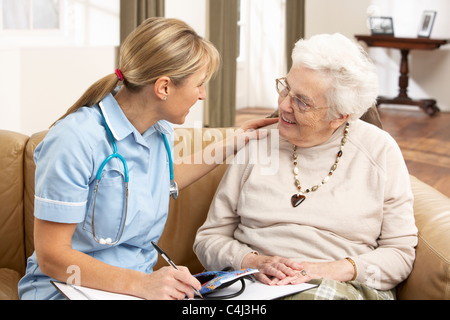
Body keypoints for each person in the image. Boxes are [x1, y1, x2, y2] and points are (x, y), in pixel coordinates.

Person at [18, 17, 277, 300]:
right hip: (67, 290)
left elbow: (161, 180)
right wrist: (140, 284)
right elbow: (52, 257)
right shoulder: (74, 140)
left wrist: (234, 141)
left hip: (136, 289)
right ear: (164, 87)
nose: (202, 95)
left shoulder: (156, 130)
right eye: (199, 84)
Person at [193, 33, 418, 300]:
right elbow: (208, 239)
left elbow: (400, 254)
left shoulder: (379, 150)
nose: (284, 105)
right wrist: (253, 262)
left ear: (339, 116)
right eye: (286, 88)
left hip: (342, 287)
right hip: (250, 283)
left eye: (302, 101)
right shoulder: (257, 144)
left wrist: (322, 270)